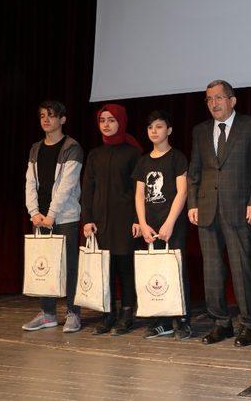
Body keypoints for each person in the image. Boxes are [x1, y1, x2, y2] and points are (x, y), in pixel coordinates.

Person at [187, 80, 251, 347]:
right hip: (207, 209)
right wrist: (193, 204)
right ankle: (221, 323)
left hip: (239, 209)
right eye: (209, 99)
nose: (214, 103)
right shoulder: (200, 131)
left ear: (232, 101)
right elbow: (195, 172)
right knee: (212, 271)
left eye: (219, 98)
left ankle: (248, 325)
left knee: (240, 269)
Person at [23, 100, 83, 332]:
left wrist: (51, 215)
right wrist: (34, 212)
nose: (46, 119)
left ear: (62, 119)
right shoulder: (36, 148)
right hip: (42, 218)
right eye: (42, 116)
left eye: (51, 115)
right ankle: (48, 313)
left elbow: (66, 186)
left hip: (64, 216)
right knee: (44, 266)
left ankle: (73, 313)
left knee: (68, 266)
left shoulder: (72, 147)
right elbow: (30, 182)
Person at [82, 103, 142, 336]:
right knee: (104, 269)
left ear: (121, 122)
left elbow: (139, 190)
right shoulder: (95, 154)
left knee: (125, 268)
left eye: (111, 120)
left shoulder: (133, 152)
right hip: (100, 222)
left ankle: (127, 312)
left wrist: (138, 219)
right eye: (102, 120)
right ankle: (108, 313)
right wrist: (87, 219)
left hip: (125, 220)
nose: (106, 124)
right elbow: (87, 189)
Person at [133, 110, 191, 340]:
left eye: (159, 126)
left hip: (172, 224)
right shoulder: (143, 161)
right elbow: (139, 195)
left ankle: (182, 320)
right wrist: (143, 224)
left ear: (169, 130)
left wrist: (169, 223)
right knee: (155, 273)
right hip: (150, 226)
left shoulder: (177, 158)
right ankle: (162, 321)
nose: (154, 131)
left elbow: (182, 191)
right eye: (150, 127)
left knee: (176, 271)